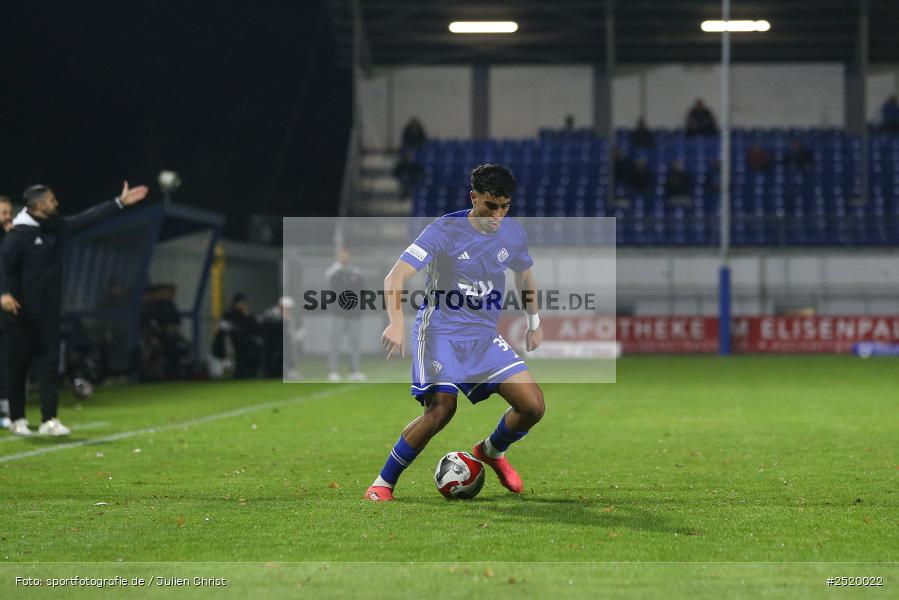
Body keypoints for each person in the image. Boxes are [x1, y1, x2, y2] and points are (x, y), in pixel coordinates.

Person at [364, 164, 546, 502]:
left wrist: (533, 321)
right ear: (473, 197)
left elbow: (524, 276)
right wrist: (396, 321)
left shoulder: (513, 233)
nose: (498, 216)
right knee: (441, 409)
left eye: (505, 207)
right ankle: (382, 483)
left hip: (481, 336)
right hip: (439, 333)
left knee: (533, 406)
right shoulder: (444, 230)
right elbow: (396, 277)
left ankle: (491, 451)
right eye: (491, 206)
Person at [0, 182, 148, 436]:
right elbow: (4, 265)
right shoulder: (19, 234)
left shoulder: (54, 227)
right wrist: (4, 293)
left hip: (49, 312)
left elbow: (84, 219)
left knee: (49, 364)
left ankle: (49, 419)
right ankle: (17, 418)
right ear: (38, 205)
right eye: (51, 199)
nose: (56, 203)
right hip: (20, 313)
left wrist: (119, 202)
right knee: (18, 366)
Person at [326, 248, 366, 382]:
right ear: (338, 257)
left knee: (355, 344)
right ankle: (333, 371)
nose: (344, 257)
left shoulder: (356, 273)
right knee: (335, 343)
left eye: (346, 255)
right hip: (338, 314)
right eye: (342, 255)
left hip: (354, 315)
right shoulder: (333, 273)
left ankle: (354, 371)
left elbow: (361, 292)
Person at [216, 293, 262, 379]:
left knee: (252, 357)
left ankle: (251, 375)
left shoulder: (248, 315)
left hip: (248, 345)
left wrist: (247, 317)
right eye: (241, 303)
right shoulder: (229, 315)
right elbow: (227, 331)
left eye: (244, 303)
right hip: (235, 345)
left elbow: (254, 329)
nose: (243, 305)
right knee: (239, 365)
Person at [0, 195, 13, 428]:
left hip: (7, 310)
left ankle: (6, 410)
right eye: (3, 212)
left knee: (7, 360)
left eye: (9, 212)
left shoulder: (12, 238)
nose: (8, 217)